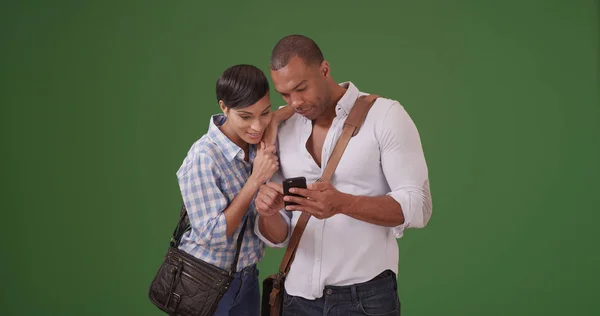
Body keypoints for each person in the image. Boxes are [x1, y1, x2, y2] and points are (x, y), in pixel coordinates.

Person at [253, 35, 433, 316]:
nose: (295, 101)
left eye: (301, 88)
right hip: (295, 297)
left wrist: (342, 204)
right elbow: (280, 235)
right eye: (285, 94)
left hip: (365, 298)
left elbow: (419, 206)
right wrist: (267, 212)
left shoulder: (386, 116)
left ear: (324, 70)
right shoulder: (283, 126)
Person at [176, 64, 293, 316]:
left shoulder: (254, 146)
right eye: (246, 116)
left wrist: (272, 126)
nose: (256, 126)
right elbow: (213, 235)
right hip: (205, 280)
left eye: (264, 112)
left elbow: (285, 111)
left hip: (247, 278)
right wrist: (255, 181)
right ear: (223, 108)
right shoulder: (204, 156)